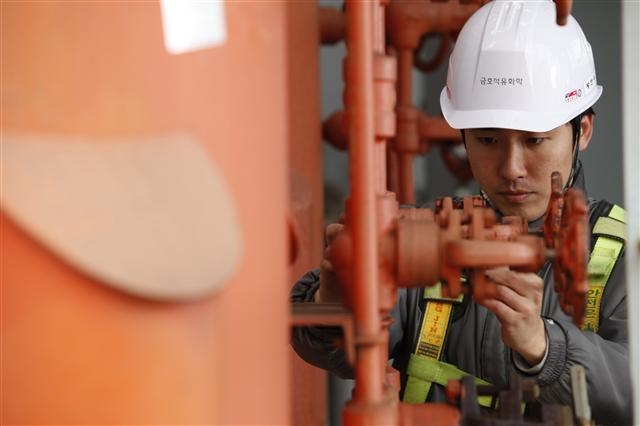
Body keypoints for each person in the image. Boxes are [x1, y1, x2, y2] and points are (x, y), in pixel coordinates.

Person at [291, 1, 630, 424]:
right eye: (488, 140)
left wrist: (546, 346)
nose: (511, 168)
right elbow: (335, 349)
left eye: (535, 141)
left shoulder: (621, 258)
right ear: (463, 136)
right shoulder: (426, 237)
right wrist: (334, 303)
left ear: (584, 131)